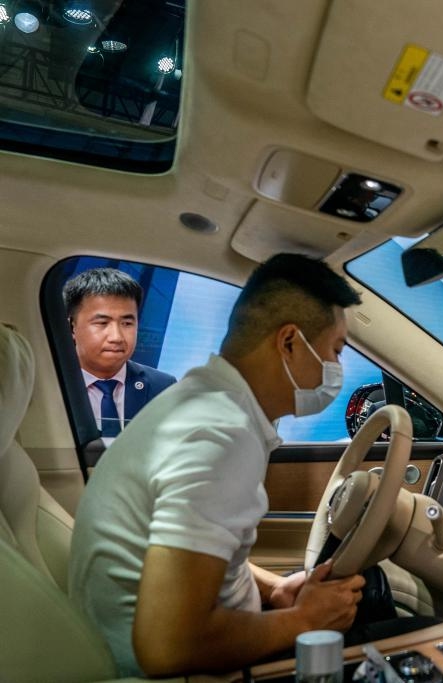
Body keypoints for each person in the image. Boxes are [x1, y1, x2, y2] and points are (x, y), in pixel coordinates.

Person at [70, 254, 367, 677]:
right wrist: (303, 621)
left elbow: (196, 556)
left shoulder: (201, 404)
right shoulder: (219, 435)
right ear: (288, 343)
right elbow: (167, 649)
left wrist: (276, 589)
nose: (337, 369)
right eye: (335, 350)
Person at [63, 268, 176, 437]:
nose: (116, 337)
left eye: (127, 323)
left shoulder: (163, 387)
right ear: (72, 326)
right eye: (102, 323)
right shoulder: (49, 385)